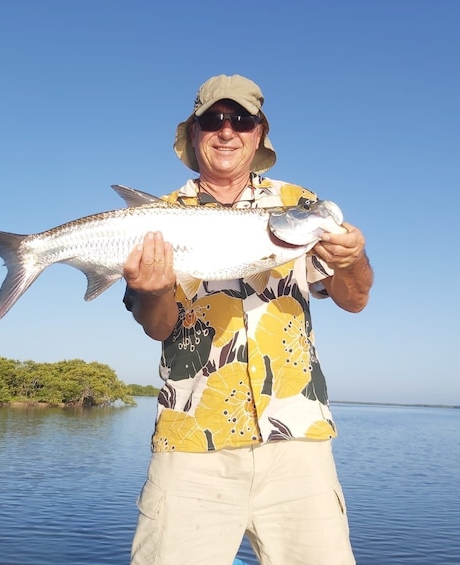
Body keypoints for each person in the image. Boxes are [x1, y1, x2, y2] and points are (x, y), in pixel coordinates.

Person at [123, 74, 373, 565]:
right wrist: (147, 290)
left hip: (298, 441)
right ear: (193, 133)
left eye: (241, 119)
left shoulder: (298, 205)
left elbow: (354, 299)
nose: (227, 131)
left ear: (259, 134)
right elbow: (157, 326)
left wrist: (352, 260)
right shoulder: (162, 216)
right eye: (213, 120)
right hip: (191, 440)